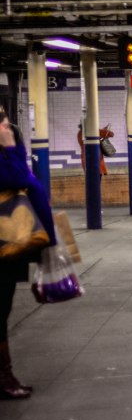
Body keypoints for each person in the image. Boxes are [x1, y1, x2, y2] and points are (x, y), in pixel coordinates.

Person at [0, 108, 57, 399]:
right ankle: (4, 378)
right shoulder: (6, 150)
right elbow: (16, 176)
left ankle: (5, 375)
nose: (6, 123)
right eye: (1, 118)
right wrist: (10, 146)